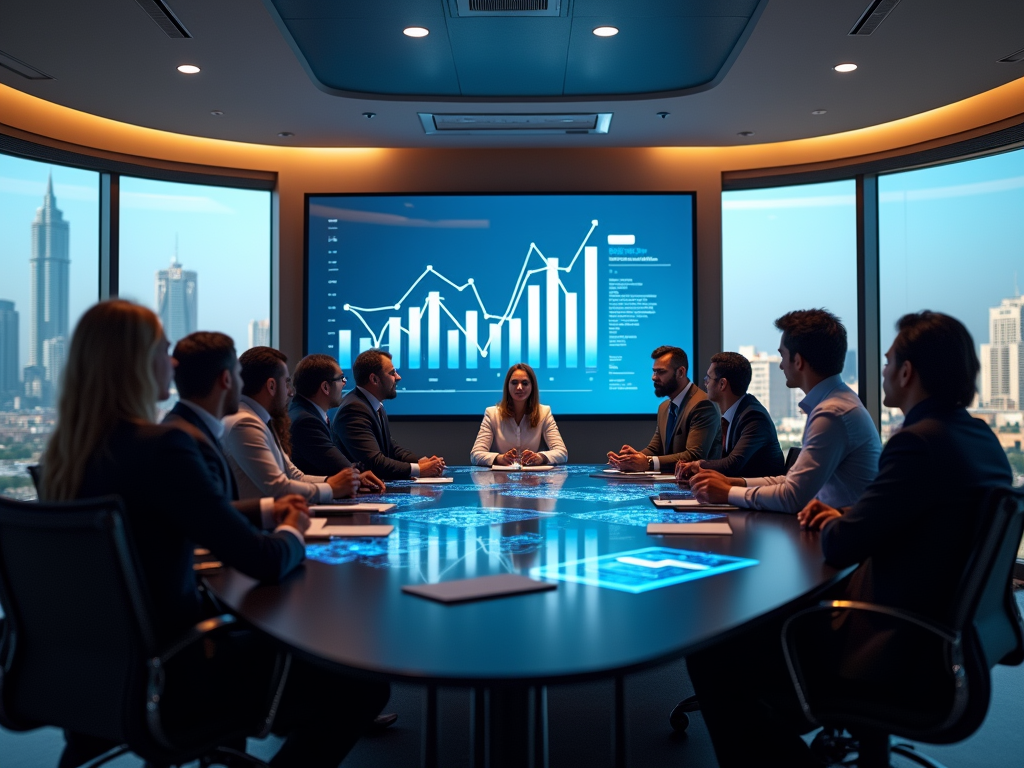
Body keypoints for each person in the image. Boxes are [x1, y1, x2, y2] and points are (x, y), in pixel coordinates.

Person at [40, 300, 388, 768]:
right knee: (360, 683)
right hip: (182, 671)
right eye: (164, 350)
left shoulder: (76, 455)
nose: (174, 362)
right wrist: (290, 527)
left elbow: (178, 516)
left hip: (99, 671)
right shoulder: (165, 446)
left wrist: (266, 510)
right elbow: (264, 562)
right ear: (136, 363)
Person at [685, 311, 1013, 768]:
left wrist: (839, 522)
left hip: (892, 640)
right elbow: (921, 519)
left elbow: (841, 547)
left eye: (887, 360)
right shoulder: (978, 437)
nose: (881, 371)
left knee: (715, 653)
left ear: (906, 371)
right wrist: (846, 513)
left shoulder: (917, 442)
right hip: (944, 630)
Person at [689, 309, 880, 512]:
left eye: (782, 355)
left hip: (842, 536)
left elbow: (792, 497)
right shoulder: (834, 403)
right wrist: (734, 484)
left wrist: (727, 493)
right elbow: (790, 481)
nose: (781, 366)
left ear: (798, 361)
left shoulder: (832, 413)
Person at [163, 331, 307, 530]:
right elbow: (219, 528)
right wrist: (291, 531)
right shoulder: (185, 439)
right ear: (227, 379)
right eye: (238, 376)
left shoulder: (188, 429)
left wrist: (268, 510)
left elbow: (214, 511)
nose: (243, 386)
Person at [222, 347, 360, 502]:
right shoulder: (244, 423)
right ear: (272, 386)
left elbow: (293, 475)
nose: (291, 392)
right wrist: (331, 488)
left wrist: (331, 482)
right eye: (286, 383)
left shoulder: (260, 420)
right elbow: (278, 488)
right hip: (260, 523)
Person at [332, 348, 445, 480]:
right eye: (392, 373)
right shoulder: (353, 409)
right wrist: (418, 469)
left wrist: (420, 462)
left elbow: (390, 447)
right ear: (374, 379)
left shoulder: (372, 404)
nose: (398, 377)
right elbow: (374, 463)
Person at [606, 345, 721, 471]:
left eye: (661, 372)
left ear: (681, 372)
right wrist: (631, 459)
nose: (654, 377)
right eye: (654, 371)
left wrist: (648, 462)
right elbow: (655, 449)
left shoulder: (702, 404)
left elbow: (694, 456)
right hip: (672, 485)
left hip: (697, 486)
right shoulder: (664, 407)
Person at [675, 351, 784, 481]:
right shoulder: (737, 412)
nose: (705, 384)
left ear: (722, 384)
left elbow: (732, 464)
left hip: (758, 497)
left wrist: (697, 465)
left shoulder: (754, 416)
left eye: (708, 379)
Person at [288, 353, 385, 491]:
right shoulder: (306, 421)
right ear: (325, 387)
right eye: (341, 379)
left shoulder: (306, 412)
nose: (344, 383)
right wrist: (358, 475)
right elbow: (341, 469)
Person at [470, 363, 568, 466]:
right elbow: (476, 455)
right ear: (507, 386)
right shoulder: (492, 413)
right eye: (514, 382)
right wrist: (500, 458)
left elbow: (562, 453)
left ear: (532, 387)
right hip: (499, 479)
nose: (519, 387)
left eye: (525, 383)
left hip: (533, 479)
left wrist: (540, 457)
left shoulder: (544, 412)